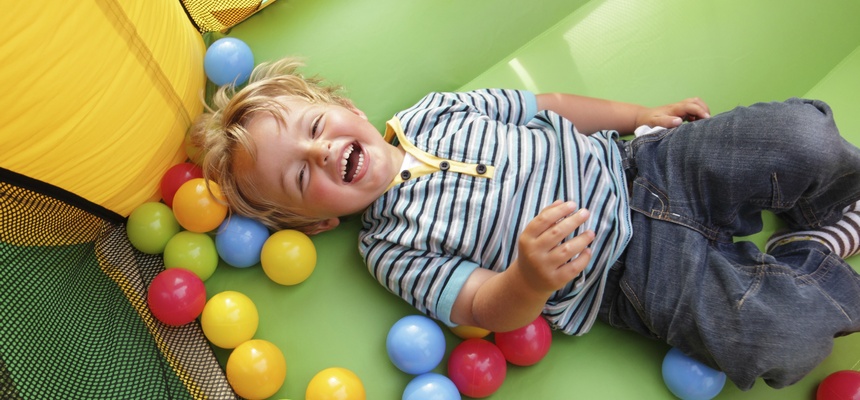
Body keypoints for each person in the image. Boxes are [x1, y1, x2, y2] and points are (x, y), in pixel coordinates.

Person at [191, 57, 860, 390]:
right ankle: (816, 248)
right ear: (311, 224)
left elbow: (553, 104)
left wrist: (641, 117)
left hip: (649, 166)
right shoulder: (388, 249)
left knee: (800, 136)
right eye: (301, 177)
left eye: (314, 127)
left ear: (345, 108)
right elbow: (485, 304)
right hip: (630, 277)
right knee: (783, 345)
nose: (320, 151)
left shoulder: (435, 111)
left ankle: (830, 201)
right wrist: (529, 277)